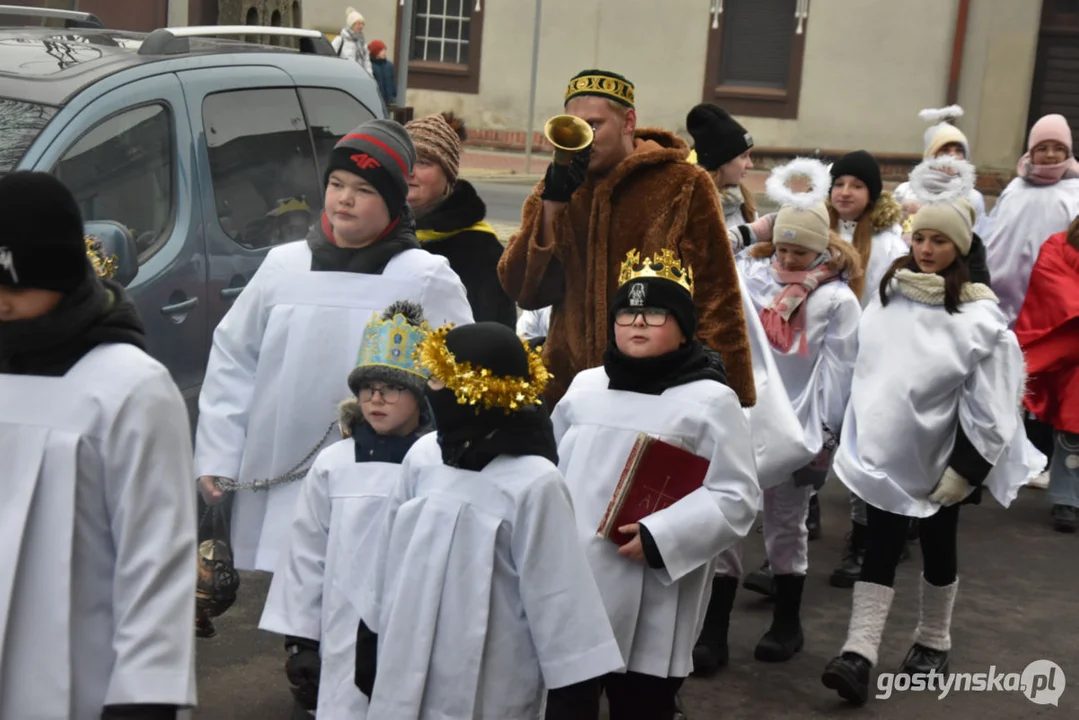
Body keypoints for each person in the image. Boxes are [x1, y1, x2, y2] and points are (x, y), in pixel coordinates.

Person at [194, 118, 473, 574]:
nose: (344, 198)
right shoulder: (284, 267)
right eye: (337, 183)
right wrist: (217, 454)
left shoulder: (423, 277)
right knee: (293, 588)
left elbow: (459, 376)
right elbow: (233, 360)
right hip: (279, 464)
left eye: (363, 189)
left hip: (379, 474)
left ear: (393, 201)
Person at [821, 193, 1041, 706]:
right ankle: (859, 651)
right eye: (919, 237)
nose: (924, 248)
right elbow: (867, 364)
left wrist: (966, 468)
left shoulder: (977, 317)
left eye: (938, 240)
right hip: (885, 451)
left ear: (959, 248)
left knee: (939, 546)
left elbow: (992, 403)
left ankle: (932, 640)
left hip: (942, 455)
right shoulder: (890, 294)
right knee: (881, 542)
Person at [353, 321, 625, 719]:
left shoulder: (534, 482)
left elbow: (561, 599)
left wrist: (572, 699)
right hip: (405, 659)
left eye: (441, 379)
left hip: (491, 678)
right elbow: (389, 554)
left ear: (475, 391)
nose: (431, 391)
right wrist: (371, 635)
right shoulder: (425, 455)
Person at [0, 171, 197, 719]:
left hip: (82, 678)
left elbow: (156, 555)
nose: (2, 303)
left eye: (15, 285)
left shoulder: (129, 387)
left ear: (63, 276)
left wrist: (146, 696)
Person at [549, 249, 760, 717]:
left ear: (684, 326)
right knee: (564, 702)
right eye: (627, 311)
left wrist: (664, 536)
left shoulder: (708, 399)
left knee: (640, 703)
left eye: (656, 312)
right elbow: (550, 467)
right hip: (576, 577)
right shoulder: (584, 388)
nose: (638, 322)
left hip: (649, 581)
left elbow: (737, 495)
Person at [498, 69, 755, 408]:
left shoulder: (682, 184)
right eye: (573, 127)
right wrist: (551, 209)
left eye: (594, 125)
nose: (582, 139)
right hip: (567, 393)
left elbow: (716, 296)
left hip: (656, 391)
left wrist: (724, 396)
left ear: (628, 121)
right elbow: (525, 292)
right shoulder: (557, 190)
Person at [702, 199, 863, 670]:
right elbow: (714, 254)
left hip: (798, 428)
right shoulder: (752, 279)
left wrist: (824, 440)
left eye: (800, 252)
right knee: (728, 519)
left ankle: (787, 623)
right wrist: (751, 231)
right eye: (783, 248)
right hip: (746, 419)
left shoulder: (835, 299)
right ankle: (714, 631)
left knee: (786, 523)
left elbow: (840, 373)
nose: (789, 260)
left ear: (820, 252)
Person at [259, 301, 433, 716]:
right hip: (342, 630)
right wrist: (301, 641)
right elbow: (306, 553)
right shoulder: (335, 463)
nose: (376, 399)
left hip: (414, 626)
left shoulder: (436, 464)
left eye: (391, 388)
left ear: (418, 394)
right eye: (367, 388)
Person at [406, 112, 517, 327]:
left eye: (423, 162)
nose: (409, 171)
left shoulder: (481, 249)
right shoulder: (373, 231)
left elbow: (492, 334)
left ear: (448, 175)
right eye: (404, 160)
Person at [979, 113, 1079, 328]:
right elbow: (992, 229)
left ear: (1068, 152)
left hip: (1046, 297)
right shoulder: (1016, 188)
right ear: (1031, 152)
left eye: (1058, 148)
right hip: (997, 294)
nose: (1050, 155)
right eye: (1042, 148)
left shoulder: (1075, 193)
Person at [1015, 217, 1079, 533]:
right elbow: (1053, 286)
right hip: (1072, 348)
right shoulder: (1059, 244)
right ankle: (1066, 499)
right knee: (1073, 426)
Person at [894, 106, 987, 223]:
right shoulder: (904, 192)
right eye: (945, 150)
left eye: (959, 150)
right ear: (930, 154)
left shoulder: (973, 198)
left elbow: (978, 235)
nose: (953, 156)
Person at [686, 103, 756, 228]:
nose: (750, 165)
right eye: (743, 156)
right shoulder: (691, 208)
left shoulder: (744, 204)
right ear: (721, 161)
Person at [332, 7, 372, 74]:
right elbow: (331, 58)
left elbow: (367, 63)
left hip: (360, 77)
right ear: (351, 25)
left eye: (362, 24)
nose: (361, 26)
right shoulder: (340, 40)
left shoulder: (362, 43)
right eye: (358, 24)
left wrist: (370, 77)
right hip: (344, 76)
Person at [368, 39, 395, 106]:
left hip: (388, 101)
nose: (384, 52)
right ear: (375, 52)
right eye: (381, 50)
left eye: (385, 50)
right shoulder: (369, 66)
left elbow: (392, 82)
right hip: (374, 100)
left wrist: (393, 95)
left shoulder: (389, 66)